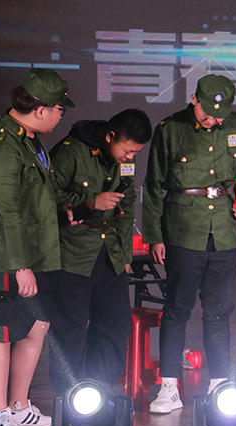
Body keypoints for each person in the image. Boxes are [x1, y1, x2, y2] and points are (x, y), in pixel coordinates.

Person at [0, 68, 74, 426]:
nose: (61, 116)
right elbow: (4, 210)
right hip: (0, 256)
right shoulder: (3, 144)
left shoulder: (28, 139)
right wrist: (19, 265)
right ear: (41, 110)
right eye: (60, 109)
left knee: (36, 324)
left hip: (33, 251)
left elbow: (38, 192)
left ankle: (18, 406)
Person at [142, 74, 236, 413]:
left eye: (220, 115)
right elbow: (153, 186)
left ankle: (219, 386)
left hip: (223, 230)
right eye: (208, 113)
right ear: (194, 99)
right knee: (177, 310)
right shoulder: (170, 129)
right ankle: (169, 388)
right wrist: (155, 236)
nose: (214, 120)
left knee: (219, 313)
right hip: (183, 229)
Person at [47, 109, 152, 394]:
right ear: (109, 136)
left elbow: (127, 205)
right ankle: (68, 395)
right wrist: (91, 201)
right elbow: (45, 195)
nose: (129, 158)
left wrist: (125, 255)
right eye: (127, 151)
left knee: (114, 325)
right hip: (72, 253)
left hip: (110, 254)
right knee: (70, 329)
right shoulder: (71, 151)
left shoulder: (125, 162)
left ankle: (100, 392)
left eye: (135, 153)